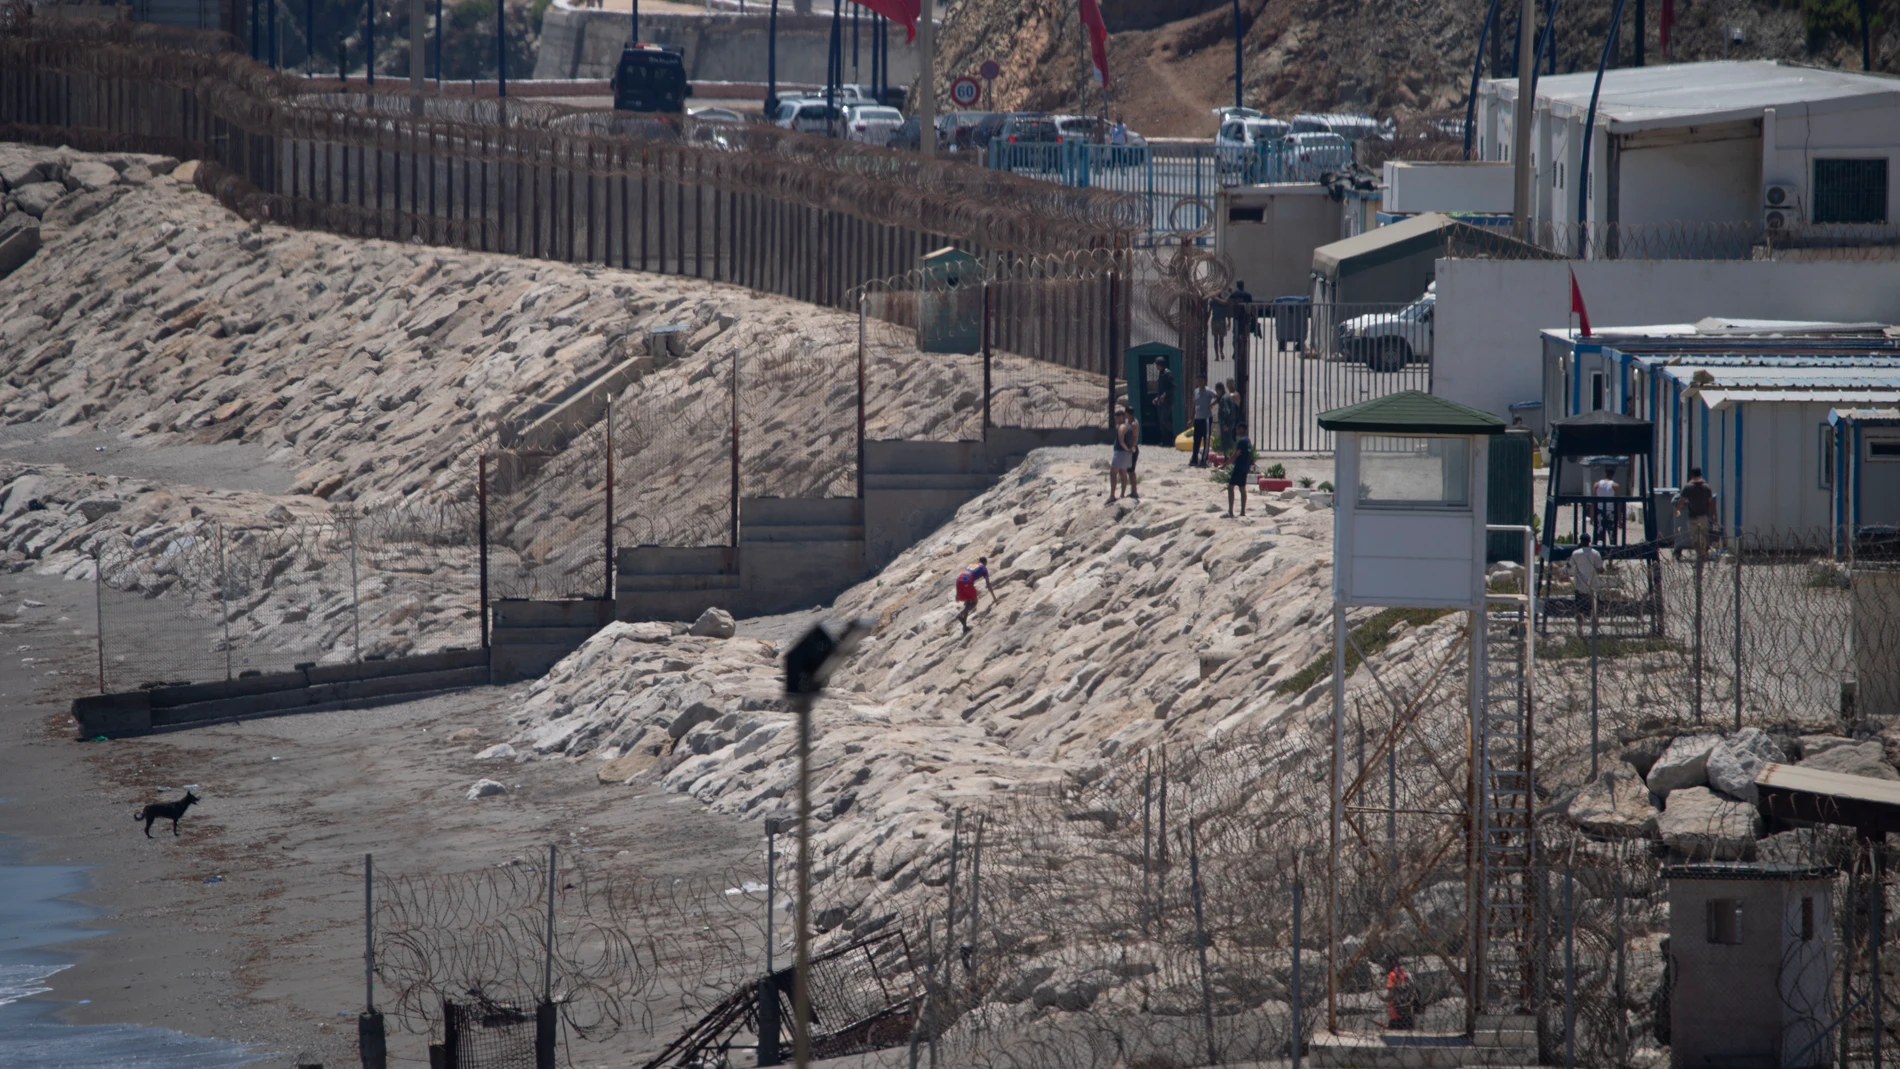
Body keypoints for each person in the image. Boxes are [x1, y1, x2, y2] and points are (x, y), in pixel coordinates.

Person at [1675, 467, 1716, 561]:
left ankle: (1700, 555)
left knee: (1695, 539)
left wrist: (1677, 510)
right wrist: (1714, 515)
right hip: (1703, 517)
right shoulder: (1706, 487)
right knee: (1703, 537)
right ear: (1701, 474)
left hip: (1692, 517)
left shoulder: (1688, 487)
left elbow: (1681, 501)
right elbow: (1711, 503)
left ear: (1692, 475)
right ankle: (1702, 555)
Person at [954, 557, 997, 635]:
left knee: (967, 603)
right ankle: (960, 614)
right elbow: (988, 584)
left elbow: (961, 577)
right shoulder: (983, 568)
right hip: (967, 582)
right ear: (985, 563)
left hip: (959, 582)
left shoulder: (971, 565)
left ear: (978, 561)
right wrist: (994, 598)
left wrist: (957, 594)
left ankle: (964, 627)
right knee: (974, 602)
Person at [1570, 533, 1603, 633]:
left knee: (1579, 609)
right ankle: (1594, 631)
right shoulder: (1595, 553)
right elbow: (1600, 569)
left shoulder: (1576, 553)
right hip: (1593, 586)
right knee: (1594, 608)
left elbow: (1569, 565)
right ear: (1589, 541)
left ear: (1581, 541)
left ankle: (1579, 628)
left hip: (1580, 586)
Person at [1227, 424, 1254, 517]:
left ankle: (1230, 511)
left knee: (1230, 487)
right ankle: (1242, 512)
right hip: (1245, 467)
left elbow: (1236, 454)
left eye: (1238, 429)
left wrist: (1225, 465)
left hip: (1239, 467)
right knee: (1242, 488)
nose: (1237, 431)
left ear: (1242, 429)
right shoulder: (1248, 440)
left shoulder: (1241, 441)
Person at [1189, 379, 1216, 467]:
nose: (1199, 383)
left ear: (1204, 382)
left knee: (1206, 439)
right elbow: (1195, 405)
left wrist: (1212, 405)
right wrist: (1191, 418)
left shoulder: (1208, 391)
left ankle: (1204, 460)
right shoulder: (1196, 391)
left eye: (1201, 381)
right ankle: (1194, 459)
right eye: (1198, 381)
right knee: (1196, 439)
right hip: (1198, 418)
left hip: (1206, 418)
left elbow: (1218, 397)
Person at [1109, 408, 1135, 502]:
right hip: (1126, 453)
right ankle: (1122, 494)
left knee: (1113, 473)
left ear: (1122, 417)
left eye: (1117, 418)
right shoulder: (1128, 426)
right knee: (1123, 473)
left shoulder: (1122, 427)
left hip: (1120, 452)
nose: (1116, 420)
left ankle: (1112, 495)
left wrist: (1126, 448)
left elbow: (1121, 440)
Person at [1384, 958, 1417, 1030]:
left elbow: (1389, 986)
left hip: (1396, 997)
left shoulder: (1392, 974)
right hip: (1404, 996)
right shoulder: (1403, 973)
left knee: (1393, 1008)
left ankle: (1394, 1024)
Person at [1593, 471, 1620, 546]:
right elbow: (1618, 504)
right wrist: (1619, 520)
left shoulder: (1596, 485)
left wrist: (1592, 516)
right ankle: (1612, 551)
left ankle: (1596, 549)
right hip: (1610, 512)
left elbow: (1593, 502)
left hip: (1599, 511)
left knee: (1597, 534)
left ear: (1605, 474)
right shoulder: (1615, 486)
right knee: (1612, 536)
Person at [1151, 361, 1175, 442]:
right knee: (1161, 422)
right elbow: (1161, 389)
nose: (1156, 367)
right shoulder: (1161, 373)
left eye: (1157, 365)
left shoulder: (1167, 373)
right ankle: (1166, 440)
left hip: (1167, 401)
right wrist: (1157, 398)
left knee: (1164, 419)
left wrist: (1164, 395)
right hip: (1161, 401)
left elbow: (1172, 387)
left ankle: (1173, 435)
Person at [1218, 378, 1241, 453]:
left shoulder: (1234, 395)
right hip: (1231, 417)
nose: (1230, 385)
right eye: (1228, 383)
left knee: (1232, 436)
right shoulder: (1227, 395)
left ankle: (1231, 452)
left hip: (1233, 418)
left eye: (1231, 383)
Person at [1209, 297, 1229, 362]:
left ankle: (1218, 353)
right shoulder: (1221, 301)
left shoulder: (1214, 301)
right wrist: (1229, 321)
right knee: (1219, 338)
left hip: (1217, 320)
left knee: (1217, 339)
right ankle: (1219, 353)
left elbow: (1209, 311)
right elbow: (1227, 311)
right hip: (1220, 320)